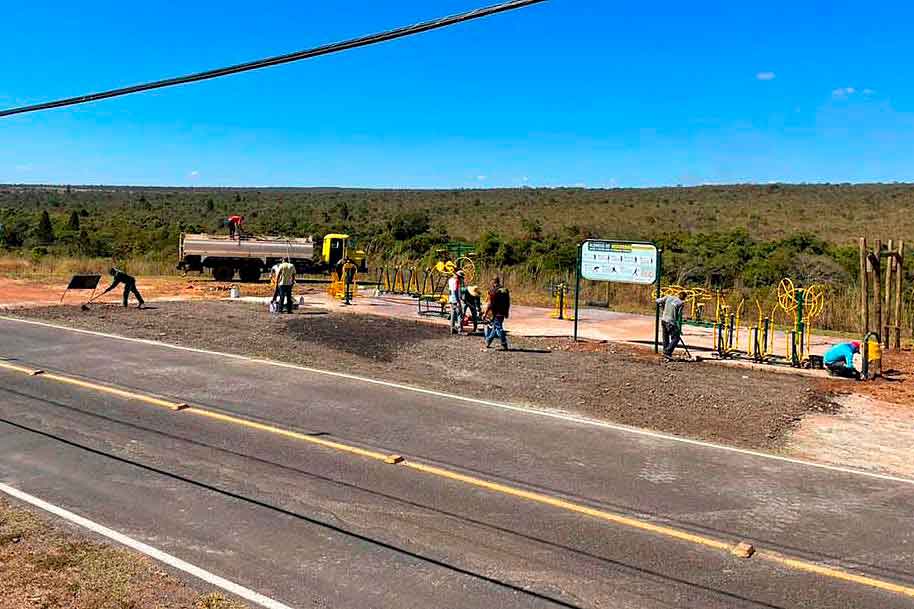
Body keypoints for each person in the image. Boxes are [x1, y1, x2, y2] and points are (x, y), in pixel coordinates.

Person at [656, 290, 686, 359]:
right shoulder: (681, 303)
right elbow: (678, 316)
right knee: (676, 338)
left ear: (678, 295)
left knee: (665, 337)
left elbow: (657, 301)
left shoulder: (668, 297)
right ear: (684, 298)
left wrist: (662, 307)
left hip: (663, 320)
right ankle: (667, 352)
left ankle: (665, 352)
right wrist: (678, 328)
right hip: (671, 322)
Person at [483, 277, 511, 350]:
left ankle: (504, 343)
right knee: (495, 327)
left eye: (492, 282)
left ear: (493, 282)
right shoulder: (505, 290)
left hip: (495, 312)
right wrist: (507, 312)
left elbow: (490, 304)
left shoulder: (493, 291)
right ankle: (488, 341)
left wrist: (485, 314)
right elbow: (508, 302)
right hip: (503, 312)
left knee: (498, 328)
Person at [448, 270, 465, 335]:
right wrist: (458, 301)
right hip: (455, 300)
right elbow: (455, 290)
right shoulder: (457, 281)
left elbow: (450, 290)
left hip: (451, 299)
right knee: (459, 314)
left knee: (452, 315)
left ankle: (452, 328)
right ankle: (460, 330)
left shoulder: (450, 280)